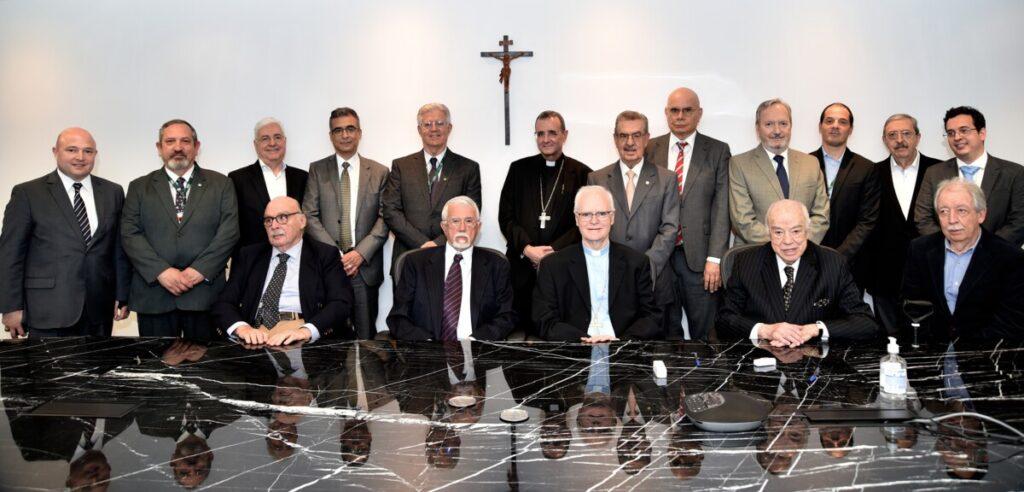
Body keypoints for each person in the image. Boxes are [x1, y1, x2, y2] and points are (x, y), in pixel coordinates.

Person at [0, 127, 130, 337]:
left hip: (99, 309)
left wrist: (122, 295)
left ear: (95, 155)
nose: (80, 157)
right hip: (47, 309)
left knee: (98, 369)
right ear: (55, 152)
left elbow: (118, 249)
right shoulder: (28, 193)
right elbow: (10, 254)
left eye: (88, 151)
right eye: (72, 150)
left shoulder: (113, 192)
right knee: (48, 370)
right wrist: (10, 307)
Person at [121, 119, 239, 339]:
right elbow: (130, 234)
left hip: (205, 295)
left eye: (185, 141)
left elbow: (229, 233)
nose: (178, 147)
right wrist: (161, 272)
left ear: (196, 146)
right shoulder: (139, 187)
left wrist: (199, 271)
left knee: (208, 368)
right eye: (170, 141)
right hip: (154, 296)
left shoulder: (221, 184)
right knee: (157, 369)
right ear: (159, 148)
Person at [718, 199, 878, 346]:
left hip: (815, 362)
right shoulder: (746, 263)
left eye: (795, 231)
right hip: (761, 360)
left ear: (807, 231)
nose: (787, 241)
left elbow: (865, 323)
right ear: (769, 233)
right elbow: (724, 320)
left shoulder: (833, 263)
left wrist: (816, 329)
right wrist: (766, 330)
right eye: (778, 232)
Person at [645, 87, 732, 340]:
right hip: (659, 257)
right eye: (674, 110)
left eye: (687, 110)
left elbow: (722, 208)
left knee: (706, 335)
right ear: (666, 113)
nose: (680, 116)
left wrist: (715, 259)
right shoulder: (650, 148)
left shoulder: (717, 151)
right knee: (663, 333)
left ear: (699, 113)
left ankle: (704, 381)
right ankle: (668, 380)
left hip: (700, 261)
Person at [213, 196, 354, 345]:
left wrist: (305, 331)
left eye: (282, 217)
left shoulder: (324, 255)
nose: (274, 225)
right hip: (255, 335)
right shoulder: (249, 255)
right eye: (268, 220)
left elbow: (341, 302)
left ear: (302, 221)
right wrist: (242, 328)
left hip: (301, 332)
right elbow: (224, 303)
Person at [498, 110, 591, 336]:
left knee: (557, 333)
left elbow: (585, 224)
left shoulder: (582, 173)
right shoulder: (519, 169)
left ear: (564, 135)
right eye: (540, 134)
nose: (546, 139)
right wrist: (527, 249)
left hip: (563, 268)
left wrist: (553, 252)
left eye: (552, 133)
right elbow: (506, 217)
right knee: (519, 336)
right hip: (521, 268)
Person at [901, 178, 1024, 344]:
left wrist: (965, 353)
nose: (952, 220)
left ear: (981, 215)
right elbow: (910, 307)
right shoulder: (920, 249)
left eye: (961, 211)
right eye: (944, 211)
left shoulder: (1009, 257)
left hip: (985, 355)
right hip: (931, 352)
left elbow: (1011, 322)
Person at [533, 186, 662, 342]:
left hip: (622, 349)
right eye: (586, 214)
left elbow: (651, 317)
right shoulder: (552, 265)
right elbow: (543, 320)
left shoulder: (636, 262)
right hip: (574, 352)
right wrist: (582, 340)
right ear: (576, 219)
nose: (594, 221)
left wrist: (622, 341)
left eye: (602, 213)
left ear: (612, 217)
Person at [588, 111, 679, 334]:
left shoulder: (666, 178)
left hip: (654, 281)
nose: (630, 142)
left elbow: (669, 229)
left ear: (647, 138)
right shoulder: (597, 179)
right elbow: (594, 228)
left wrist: (644, 266)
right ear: (615, 139)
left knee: (658, 356)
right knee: (618, 356)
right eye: (623, 136)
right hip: (611, 282)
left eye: (636, 135)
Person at [303, 107, 389, 339]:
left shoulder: (380, 172)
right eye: (338, 130)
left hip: (365, 268)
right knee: (329, 339)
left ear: (360, 133)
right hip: (328, 268)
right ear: (331, 136)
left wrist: (359, 254)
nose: (345, 135)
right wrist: (335, 255)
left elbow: (385, 217)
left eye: (350, 129)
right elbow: (309, 215)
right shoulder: (317, 170)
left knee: (366, 339)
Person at [387, 196, 514, 340]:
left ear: (478, 227)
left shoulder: (497, 265)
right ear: (444, 227)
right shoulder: (415, 263)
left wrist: (475, 341)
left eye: (469, 221)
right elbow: (398, 318)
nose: (462, 228)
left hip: (477, 351)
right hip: (428, 351)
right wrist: (428, 344)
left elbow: (507, 316)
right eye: (455, 221)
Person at [382, 103, 482, 273]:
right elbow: (391, 211)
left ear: (449, 128)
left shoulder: (468, 168)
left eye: (440, 123)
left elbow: (472, 212)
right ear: (419, 130)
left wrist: (438, 243)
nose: (433, 129)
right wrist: (422, 243)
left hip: (452, 257)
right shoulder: (401, 166)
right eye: (427, 124)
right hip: (408, 256)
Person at [866, 114, 941, 334]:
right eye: (892, 135)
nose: (900, 140)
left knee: (930, 342)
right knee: (890, 344)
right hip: (884, 275)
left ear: (918, 137)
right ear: (884, 140)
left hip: (931, 271)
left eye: (906, 133)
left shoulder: (940, 170)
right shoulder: (871, 173)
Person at [914, 106, 1024, 247]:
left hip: (999, 260)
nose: (957, 137)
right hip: (948, 257)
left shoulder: (1014, 173)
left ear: (982, 133)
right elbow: (923, 218)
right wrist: (952, 246)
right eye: (951, 133)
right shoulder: (934, 173)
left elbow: (1019, 220)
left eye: (964, 130)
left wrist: (986, 250)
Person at [730, 98, 829, 245]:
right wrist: (784, 244)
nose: (777, 131)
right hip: (756, 256)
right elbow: (742, 220)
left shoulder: (811, 163)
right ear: (758, 128)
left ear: (791, 126)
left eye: (783, 124)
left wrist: (798, 244)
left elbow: (821, 216)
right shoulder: (739, 164)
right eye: (769, 124)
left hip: (804, 255)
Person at [809, 102, 879, 290]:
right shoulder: (804, 164)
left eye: (842, 122)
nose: (835, 126)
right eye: (829, 121)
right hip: (808, 259)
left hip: (851, 264)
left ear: (850, 129)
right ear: (820, 126)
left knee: (848, 319)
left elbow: (867, 221)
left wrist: (840, 256)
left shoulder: (866, 168)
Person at [228, 117, 307, 264]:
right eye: (265, 138)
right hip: (252, 263)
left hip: (298, 262)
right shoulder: (237, 179)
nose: (272, 143)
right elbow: (231, 226)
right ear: (255, 145)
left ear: (285, 141)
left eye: (277, 137)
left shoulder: (303, 177)